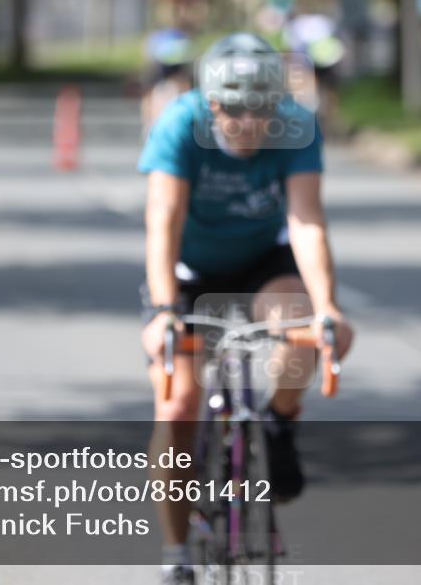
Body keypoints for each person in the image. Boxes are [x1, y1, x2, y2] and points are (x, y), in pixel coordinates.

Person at [137, 33, 354, 584]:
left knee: (302, 335)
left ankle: (278, 424)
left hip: (262, 259)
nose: (247, 122)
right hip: (187, 270)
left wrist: (328, 306)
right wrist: (164, 308)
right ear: (210, 103)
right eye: (233, 109)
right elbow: (163, 219)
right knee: (179, 403)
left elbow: (306, 218)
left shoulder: (297, 125)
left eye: (260, 108)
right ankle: (177, 554)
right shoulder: (179, 124)